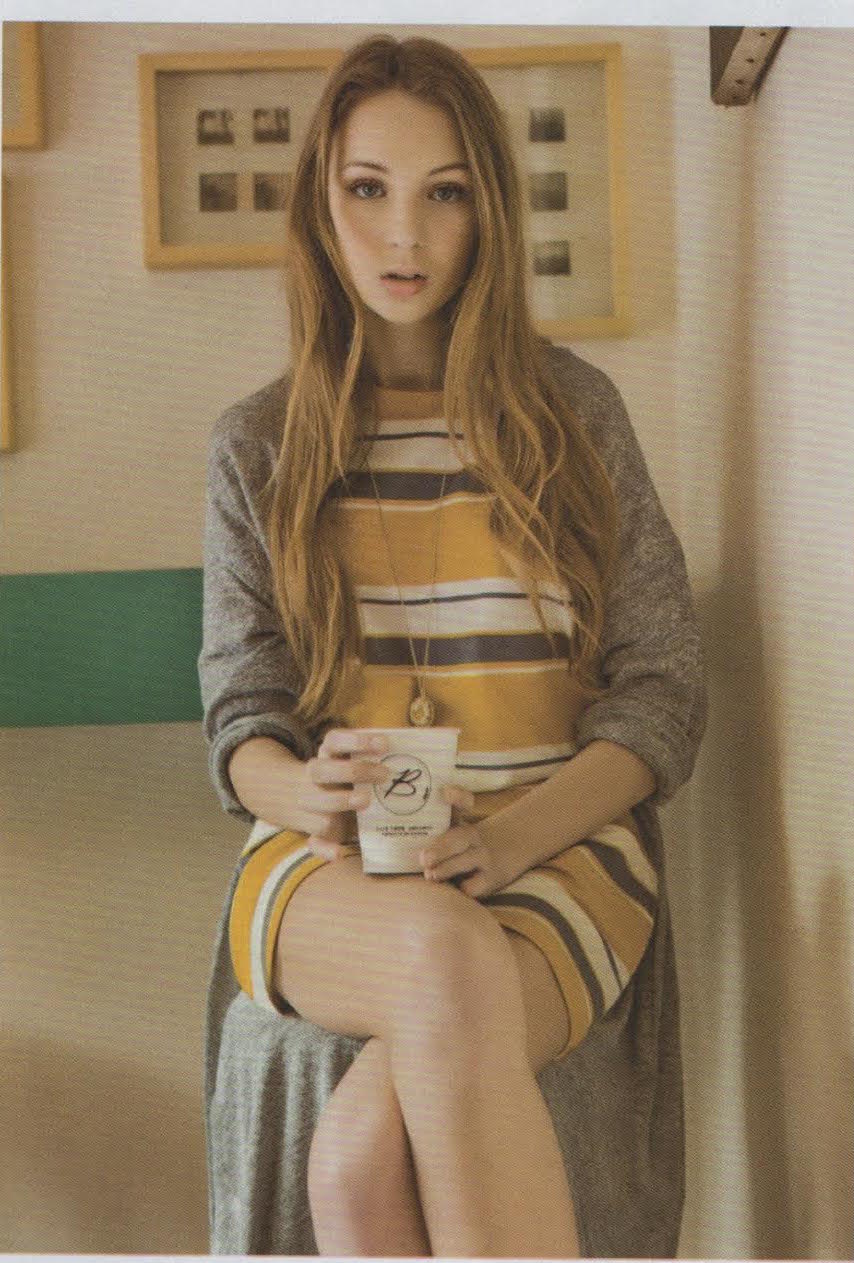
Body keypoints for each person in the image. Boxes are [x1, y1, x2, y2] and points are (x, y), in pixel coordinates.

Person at [198, 33, 706, 1260]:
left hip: (559, 857)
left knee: (359, 1157)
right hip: (331, 872)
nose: (404, 235)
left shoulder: (572, 417)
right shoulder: (260, 445)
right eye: (367, 189)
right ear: (319, 203)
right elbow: (241, 713)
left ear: (488, 210)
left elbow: (661, 691)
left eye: (444, 193)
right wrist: (302, 792)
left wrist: (514, 838)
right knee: (434, 956)